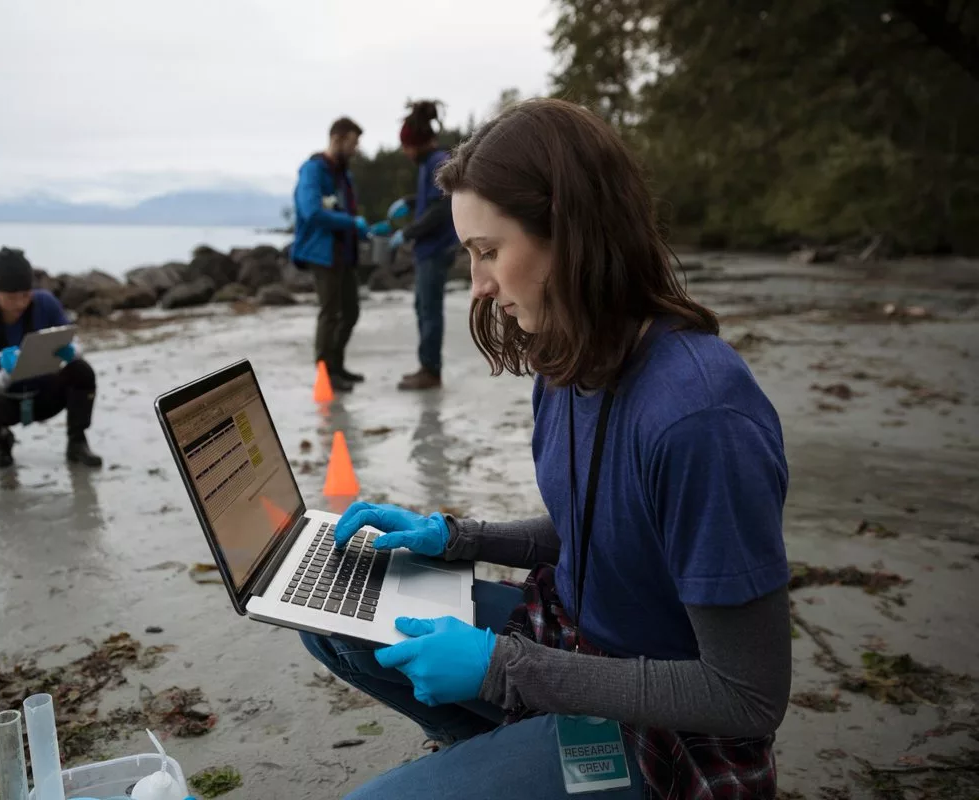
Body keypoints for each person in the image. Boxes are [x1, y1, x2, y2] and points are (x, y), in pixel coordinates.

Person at [300, 99, 791, 799]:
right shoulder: (570, 360)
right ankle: (515, 757)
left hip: (673, 736)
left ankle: (540, 766)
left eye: (489, 252)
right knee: (336, 621)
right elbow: (600, 531)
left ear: (571, 231)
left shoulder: (700, 418)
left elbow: (748, 696)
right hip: (574, 638)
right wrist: (452, 536)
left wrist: (505, 668)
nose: (480, 287)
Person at [0, 247, 103, 469]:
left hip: (45, 394)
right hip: (8, 401)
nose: (19, 303)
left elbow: (75, 343)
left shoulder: (45, 303)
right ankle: (3, 441)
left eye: (25, 295)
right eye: (10, 296)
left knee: (82, 370)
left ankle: (77, 442)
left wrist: (71, 351)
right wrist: (6, 375)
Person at [291, 116, 372, 392]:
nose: (356, 148)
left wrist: (360, 229)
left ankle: (337, 366)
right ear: (337, 139)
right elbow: (311, 212)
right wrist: (350, 222)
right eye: (353, 142)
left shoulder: (343, 173)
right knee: (330, 313)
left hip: (345, 254)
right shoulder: (312, 170)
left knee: (350, 311)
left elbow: (344, 211)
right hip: (322, 253)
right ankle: (325, 372)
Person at [385, 100, 460, 391]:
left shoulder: (438, 161)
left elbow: (441, 209)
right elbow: (430, 201)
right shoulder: (427, 164)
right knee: (422, 307)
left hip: (435, 249)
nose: (405, 152)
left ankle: (431, 370)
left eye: (406, 146)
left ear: (416, 143)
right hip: (427, 250)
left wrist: (409, 233)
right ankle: (426, 366)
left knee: (429, 310)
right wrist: (409, 201)